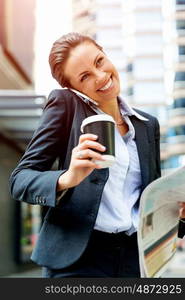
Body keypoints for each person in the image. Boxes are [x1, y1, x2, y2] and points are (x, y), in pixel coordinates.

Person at [9, 32, 185, 278]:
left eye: (99, 61)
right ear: (74, 88)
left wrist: (175, 208)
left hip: (134, 257)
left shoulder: (148, 125)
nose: (101, 76)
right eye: (85, 76)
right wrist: (67, 178)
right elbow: (20, 180)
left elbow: (148, 195)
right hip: (79, 259)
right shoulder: (66, 105)